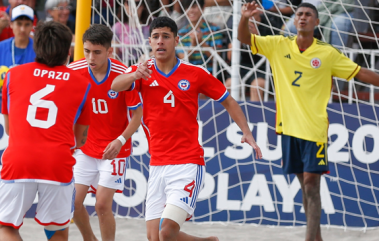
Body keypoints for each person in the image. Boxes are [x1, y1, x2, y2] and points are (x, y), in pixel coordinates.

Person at [112, 16, 262, 241]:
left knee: (166, 231)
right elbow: (115, 86)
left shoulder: (194, 73)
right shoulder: (142, 71)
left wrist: (247, 132)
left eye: (165, 37)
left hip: (187, 164)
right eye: (155, 37)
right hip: (157, 166)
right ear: (150, 42)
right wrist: (134, 75)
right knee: (155, 238)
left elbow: (228, 100)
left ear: (176, 40)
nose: (160, 41)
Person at [238, 2, 379, 241]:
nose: (302, 17)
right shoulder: (278, 44)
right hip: (287, 128)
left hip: (314, 129)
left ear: (316, 22)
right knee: (305, 184)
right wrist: (244, 18)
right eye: (299, 14)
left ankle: (309, 239)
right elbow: (245, 39)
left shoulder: (327, 53)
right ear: (295, 21)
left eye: (308, 15)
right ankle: (317, 237)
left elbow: (361, 73)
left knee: (312, 183)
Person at [0, 21, 92, 241]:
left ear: (35, 47)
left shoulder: (12, 75)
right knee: (57, 230)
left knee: (6, 227)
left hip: (19, 160)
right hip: (57, 162)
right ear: (68, 51)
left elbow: (9, 129)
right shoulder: (82, 83)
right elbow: (81, 139)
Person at [68, 24, 143, 241]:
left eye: (97, 52)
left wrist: (120, 140)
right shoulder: (75, 70)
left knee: (102, 204)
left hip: (114, 148)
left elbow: (137, 116)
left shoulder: (123, 75)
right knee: (72, 202)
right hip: (85, 146)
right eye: (87, 51)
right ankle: (89, 238)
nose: (90, 57)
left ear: (110, 51)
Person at [225, 9, 273, 101]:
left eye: (253, 13)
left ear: (260, 10)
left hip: (262, 69)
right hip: (240, 67)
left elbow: (271, 54)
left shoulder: (269, 26)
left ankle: (256, 115)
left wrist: (256, 36)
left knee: (256, 87)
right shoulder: (236, 26)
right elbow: (230, 58)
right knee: (228, 85)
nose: (250, 16)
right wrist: (240, 39)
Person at [0, 4, 36, 91]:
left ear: (32, 26)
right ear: (11, 24)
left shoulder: (39, 50)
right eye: (19, 24)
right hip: (4, 100)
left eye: (27, 24)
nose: (22, 29)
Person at [176, 0, 223, 74]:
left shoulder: (214, 29)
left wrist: (201, 41)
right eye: (188, 7)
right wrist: (193, 44)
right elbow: (183, 60)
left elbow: (216, 58)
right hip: (188, 75)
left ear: (203, 8)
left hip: (209, 74)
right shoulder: (181, 32)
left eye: (194, 7)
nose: (191, 10)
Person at [112, 0, 151, 64]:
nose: (133, 6)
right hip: (125, 65)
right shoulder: (117, 27)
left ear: (143, 6)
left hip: (147, 63)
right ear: (125, 5)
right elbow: (114, 55)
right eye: (129, 3)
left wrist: (146, 56)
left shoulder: (151, 24)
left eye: (137, 3)